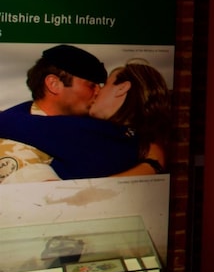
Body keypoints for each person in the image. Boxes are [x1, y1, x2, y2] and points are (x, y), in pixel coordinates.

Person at [0, 51, 171, 182]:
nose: (98, 91)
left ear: (122, 88)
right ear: (53, 84)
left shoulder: (90, 134)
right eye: (92, 85)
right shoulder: (141, 141)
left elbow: (16, 123)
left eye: (104, 85)